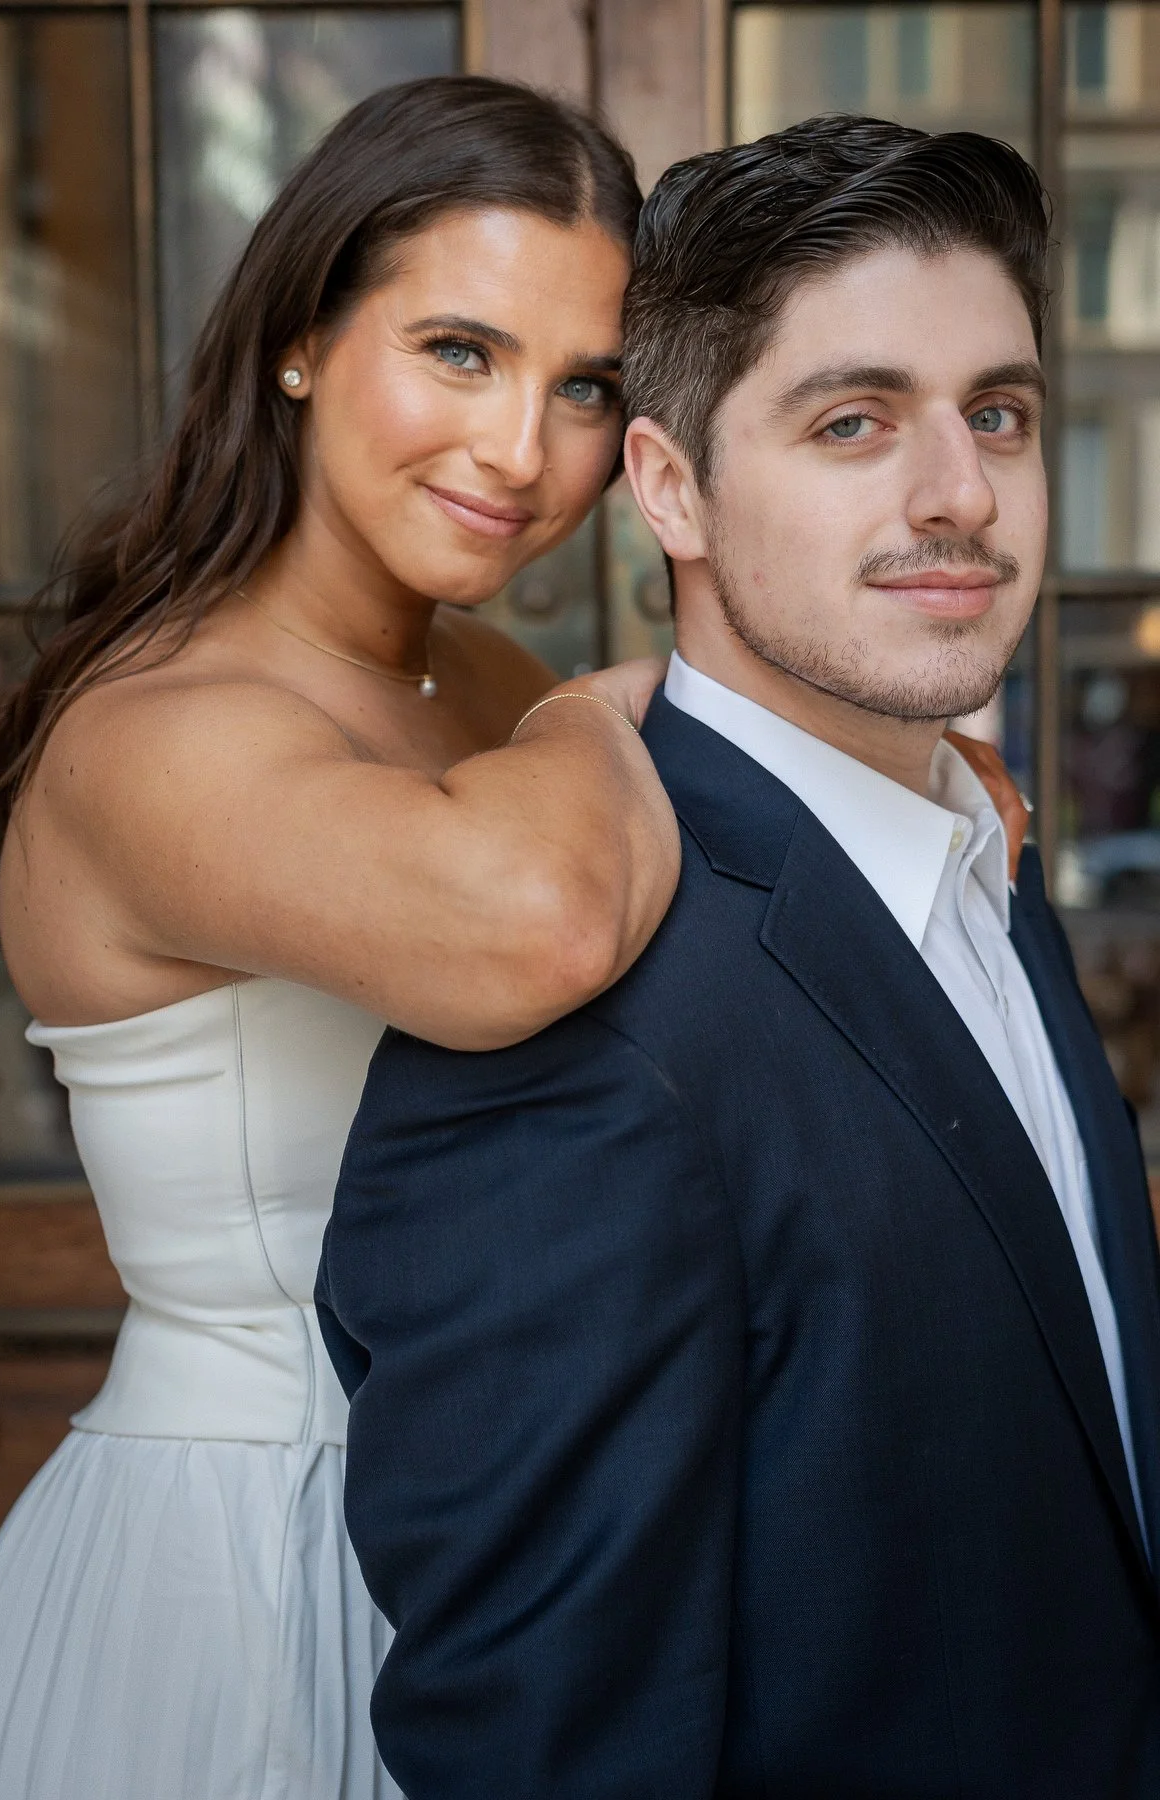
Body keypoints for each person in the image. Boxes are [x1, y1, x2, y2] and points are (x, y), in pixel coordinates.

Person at [320, 116, 1160, 1796]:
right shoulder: (577, 1039)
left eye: (995, 411)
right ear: (670, 484)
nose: (962, 495)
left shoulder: (982, 862)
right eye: (854, 421)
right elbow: (548, 1750)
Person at [0, 77, 682, 1800]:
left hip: (510, 1545)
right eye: (458, 349)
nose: (522, 449)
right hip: (244, 1563)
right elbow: (538, 921)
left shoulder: (486, 689)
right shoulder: (161, 727)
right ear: (299, 338)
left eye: (584, 385)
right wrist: (629, 707)